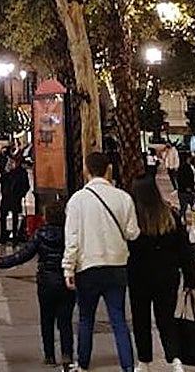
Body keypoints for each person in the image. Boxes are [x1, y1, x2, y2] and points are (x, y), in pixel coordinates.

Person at [63, 152, 140, 372]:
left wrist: (68, 267)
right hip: (116, 266)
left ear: (86, 170)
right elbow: (132, 233)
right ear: (109, 170)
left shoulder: (77, 200)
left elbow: (72, 238)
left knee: (86, 318)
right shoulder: (123, 198)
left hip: (88, 267)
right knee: (118, 319)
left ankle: (83, 364)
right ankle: (128, 367)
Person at [129, 176, 195, 372]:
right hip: (167, 276)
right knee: (166, 318)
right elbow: (184, 249)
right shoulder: (170, 216)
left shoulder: (133, 220)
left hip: (139, 276)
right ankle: (175, 359)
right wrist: (191, 276)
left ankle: (144, 362)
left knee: (140, 319)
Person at [0, 202, 75, 368]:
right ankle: (67, 354)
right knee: (65, 320)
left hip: (46, 281)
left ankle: (49, 355)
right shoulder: (70, 234)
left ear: (46, 217)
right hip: (66, 280)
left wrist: (0, 262)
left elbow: (23, 255)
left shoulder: (40, 234)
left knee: (46, 319)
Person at [0, 155, 30, 244]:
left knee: (15, 217)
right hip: (6, 197)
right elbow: (1, 180)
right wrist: (6, 172)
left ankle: (15, 236)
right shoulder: (7, 171)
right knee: (2, 216)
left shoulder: (22, 173)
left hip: (15, 197)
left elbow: (26, 186)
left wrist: (21, 195)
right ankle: (3, 236)